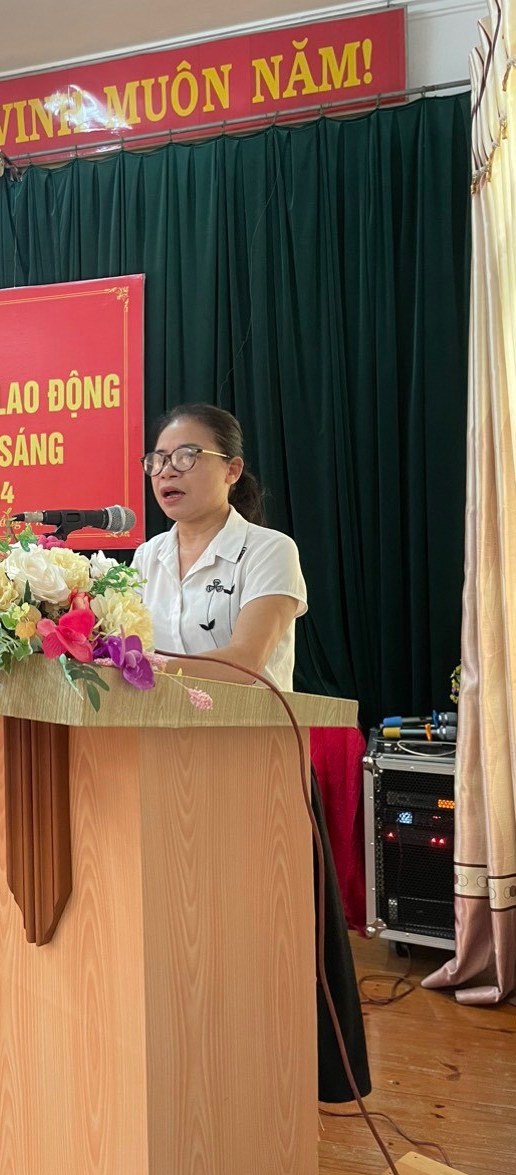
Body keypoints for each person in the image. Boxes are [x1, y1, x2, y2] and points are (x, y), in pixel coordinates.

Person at [133, 403, 371, 1104]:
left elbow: (245, 663)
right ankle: (193, 1072)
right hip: (162, 765)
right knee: (184, 934)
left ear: (231, 469)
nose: (168, 470)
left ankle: (275, 1078)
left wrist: (141, 666)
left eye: (186, 456)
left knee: (258, 934)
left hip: (253, 765)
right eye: (158, 459)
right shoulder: (145, 558)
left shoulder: (269, 550)